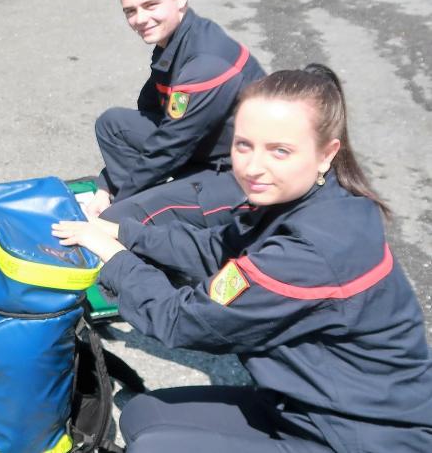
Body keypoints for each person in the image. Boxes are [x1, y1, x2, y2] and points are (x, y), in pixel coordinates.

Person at [53, 65, 432, 452]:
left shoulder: (310, 252)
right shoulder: (299, 202)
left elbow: (181, 320)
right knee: (142, 416)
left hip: (363, 436)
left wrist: (114, 258)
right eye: (243, 145)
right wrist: (123, 232)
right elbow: (216, 249)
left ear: (326, 154)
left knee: (154, 447)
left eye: (280, 151)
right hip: (304, 406)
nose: (253, 167)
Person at [85, 0, 265, 229]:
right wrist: (105, 185)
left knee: (117, 219)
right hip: (203, 149)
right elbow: (151, 112)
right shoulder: (175, 41)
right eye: (130, 11)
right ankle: (150, 203)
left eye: (150, 5)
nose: (140, 19)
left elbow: (168, 147)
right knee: (112, 125)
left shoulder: (206, 62)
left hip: (238, 176)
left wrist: (119, 201)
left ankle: (162, 222)